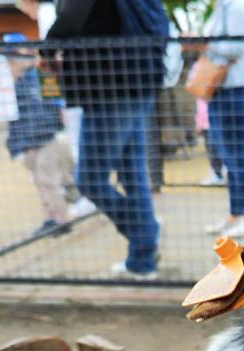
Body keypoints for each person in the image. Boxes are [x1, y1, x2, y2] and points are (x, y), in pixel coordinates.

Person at [48, 0, 168, 279]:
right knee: (133, 175)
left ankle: (145, 235)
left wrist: (46, 49)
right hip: (140, 81)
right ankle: (141, 263)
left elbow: (68, 20)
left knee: (89, 179)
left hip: (111, 88)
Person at [203, 0, 244, 239]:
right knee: (229, 156)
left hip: (235, 88)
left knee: (236, 156)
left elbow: (237, 46)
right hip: (220, 88)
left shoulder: (240, 6)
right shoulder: (223, 6)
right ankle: (235, 214)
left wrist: (203, 44)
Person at [4, 34, 72, 237]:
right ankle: (49, 219)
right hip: (29, 141)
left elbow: (55, 110)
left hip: (45, 139)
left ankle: (61, 220)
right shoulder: (15, 82)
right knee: (40, 182)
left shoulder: (41, 76)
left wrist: (35, 141)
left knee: (48, 180)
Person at [197, 96, 226, 185]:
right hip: (206, 126)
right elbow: (199, 110)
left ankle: (219, 175)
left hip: (215, 124)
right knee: (211, 151)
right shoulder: (200, 95)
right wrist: (199, 124)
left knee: (216, 150)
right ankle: (217, 174)